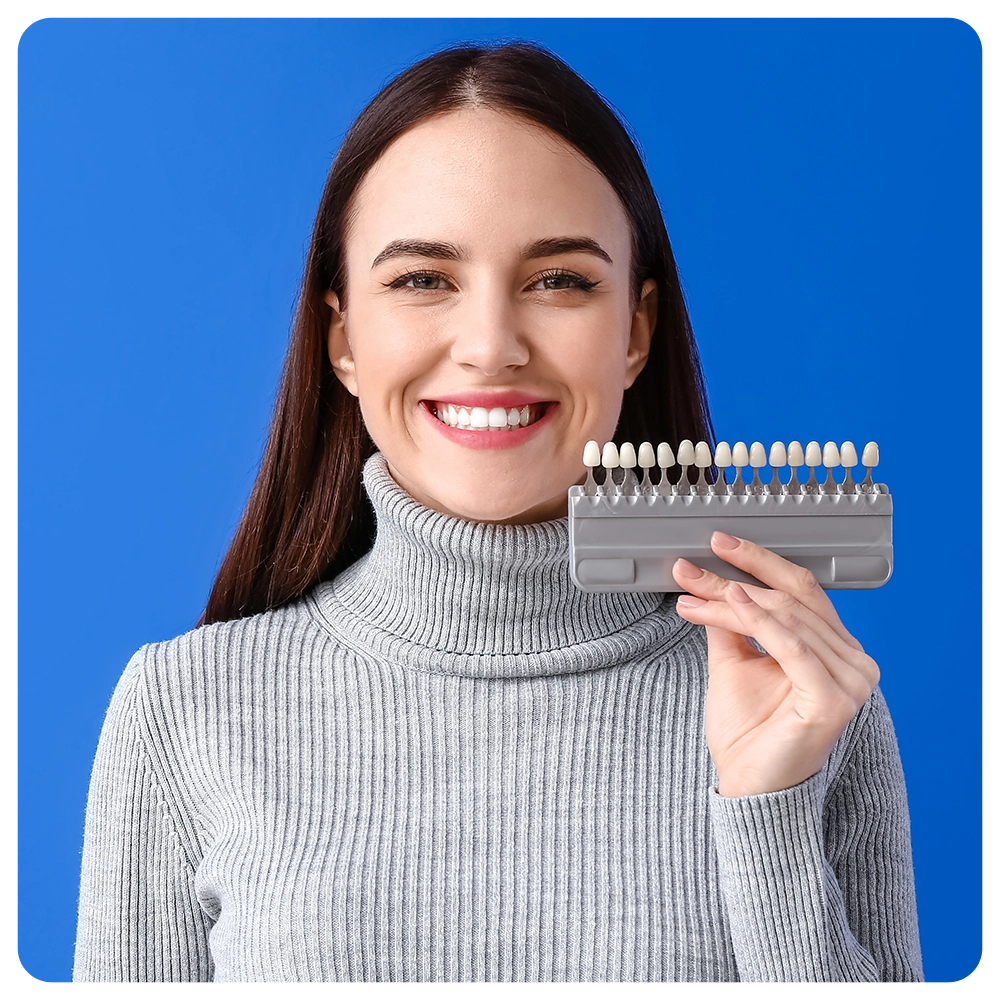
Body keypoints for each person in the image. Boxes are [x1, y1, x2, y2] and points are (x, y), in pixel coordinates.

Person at [72, 42, 922, 984]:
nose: (490, 347)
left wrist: (768, 810)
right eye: (422, 280)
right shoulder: (182, 713)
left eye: (559, 280)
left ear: (634, 333)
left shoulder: (810, 705)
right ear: (344, 340)